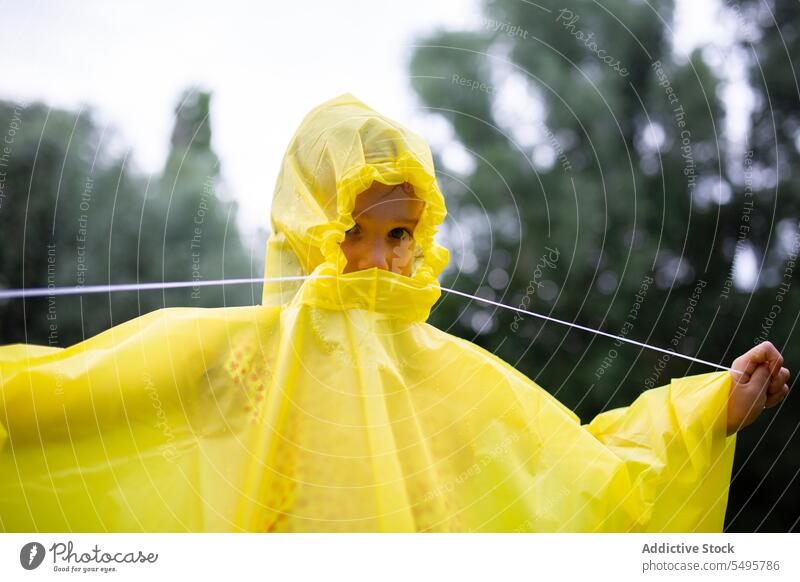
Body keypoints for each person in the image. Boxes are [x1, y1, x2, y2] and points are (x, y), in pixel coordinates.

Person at [0, 93, 790, 533]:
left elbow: (581, 478)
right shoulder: (230, 355)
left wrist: (711, 408)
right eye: (354, 232)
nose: (380, 260)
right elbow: (65, 403)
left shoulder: (450, 379)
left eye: (401, 233)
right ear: (307, 230)